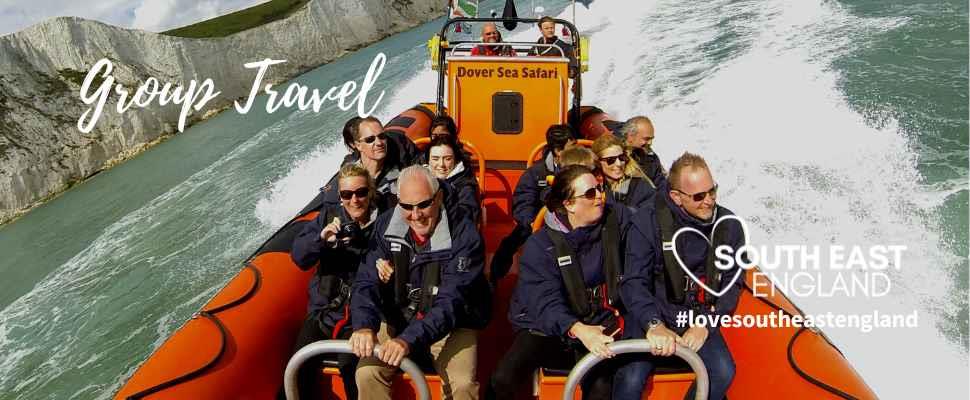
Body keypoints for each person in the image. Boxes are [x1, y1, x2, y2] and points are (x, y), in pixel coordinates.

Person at [486, 165, 631, 400]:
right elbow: (544, 301)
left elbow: (650, 221)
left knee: (601, 386)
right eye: (590, 194)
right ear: (569, 204)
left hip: (599, 321)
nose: (600, 197)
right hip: (548, 326)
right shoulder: (541, 245)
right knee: (503, 379)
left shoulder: (616, 222)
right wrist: (577, 329)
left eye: (600, 189)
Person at [349, 166, 492, 400]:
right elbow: (366, 280)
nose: (415, 215)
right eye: (406, 207)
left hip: (453, 323)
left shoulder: (464, 236)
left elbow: (452, 301)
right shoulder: (386, 226)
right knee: (367, 373)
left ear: (439, 197)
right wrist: (364, 325)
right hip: (398, 314)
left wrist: (407, 340)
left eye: (424, 205)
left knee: (463, 385)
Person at [614, 152, 744, 400]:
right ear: (676, 197)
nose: (709, 201)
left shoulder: (729, 225)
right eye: (699, 196)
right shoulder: (647, 221)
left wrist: (705, 323)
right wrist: (654, 324)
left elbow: (732, 282)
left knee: (723, 371)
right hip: (653, 312)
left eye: (712, 191)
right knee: (631, 378)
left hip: (698, 315)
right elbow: (634, 282)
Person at [288, 164, 382, 400]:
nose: (354, 200)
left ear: (370, 192)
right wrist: (320, 240)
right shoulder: (328, 218)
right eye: (347, 195)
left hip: (364, 315)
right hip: (326, 312)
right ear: (340, 197)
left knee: (351, 369)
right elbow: (299, 257)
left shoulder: (385, 222)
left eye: (361, 193)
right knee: (296, 370)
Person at [490, 124, 577, 284]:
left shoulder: (579, 170)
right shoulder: (536, 173)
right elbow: (524, 199)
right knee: (509, 244)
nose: (576, 150)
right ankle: (494, 279)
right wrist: (530, 222)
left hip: (571, 221)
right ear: (558, 151)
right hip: (539, 223)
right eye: (572, 147)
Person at [323, 117, 407, 210]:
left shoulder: (400, 169)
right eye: (370, 139)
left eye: (382, 136)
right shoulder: (349, 172)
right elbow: (331, 204)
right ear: (357, 145)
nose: (379, 143)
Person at [592, 134, 655, 211]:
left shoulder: (641, 187)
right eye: (610, 160)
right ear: (598, 163)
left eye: (621, 157)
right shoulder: (593, 189)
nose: (619, 163)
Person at [427, 135, 481, 222]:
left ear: (455, 160)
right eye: (435, 159)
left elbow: (467, 216)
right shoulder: (418, 180)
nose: (441, 164)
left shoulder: (465, 186)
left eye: (447, 159)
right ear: (428, 161)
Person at [618, 116, 666, 187]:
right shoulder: (614, 158)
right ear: (630, 136)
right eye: (646, 139)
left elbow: (660, 182)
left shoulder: (650, 156)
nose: (650, 143)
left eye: (651, 139)